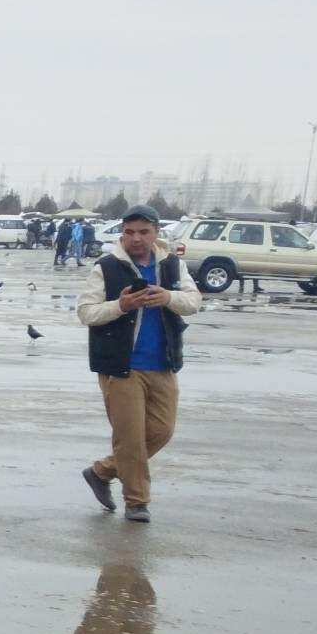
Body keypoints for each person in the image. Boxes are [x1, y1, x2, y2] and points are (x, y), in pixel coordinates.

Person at [77, 205, 201, 523]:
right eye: (130, 232)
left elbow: (193, 302)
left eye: (144, 232)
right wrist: (121, 305)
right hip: (122, 367)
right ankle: (137, 502)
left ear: (156, 232)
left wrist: (169, 298)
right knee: (130, 438)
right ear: (122, 233)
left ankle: (101, 471)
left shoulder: (172, 266)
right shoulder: (106, 267)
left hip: (162, 363)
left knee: (162, 430)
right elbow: (86, 312)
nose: (136, 239)